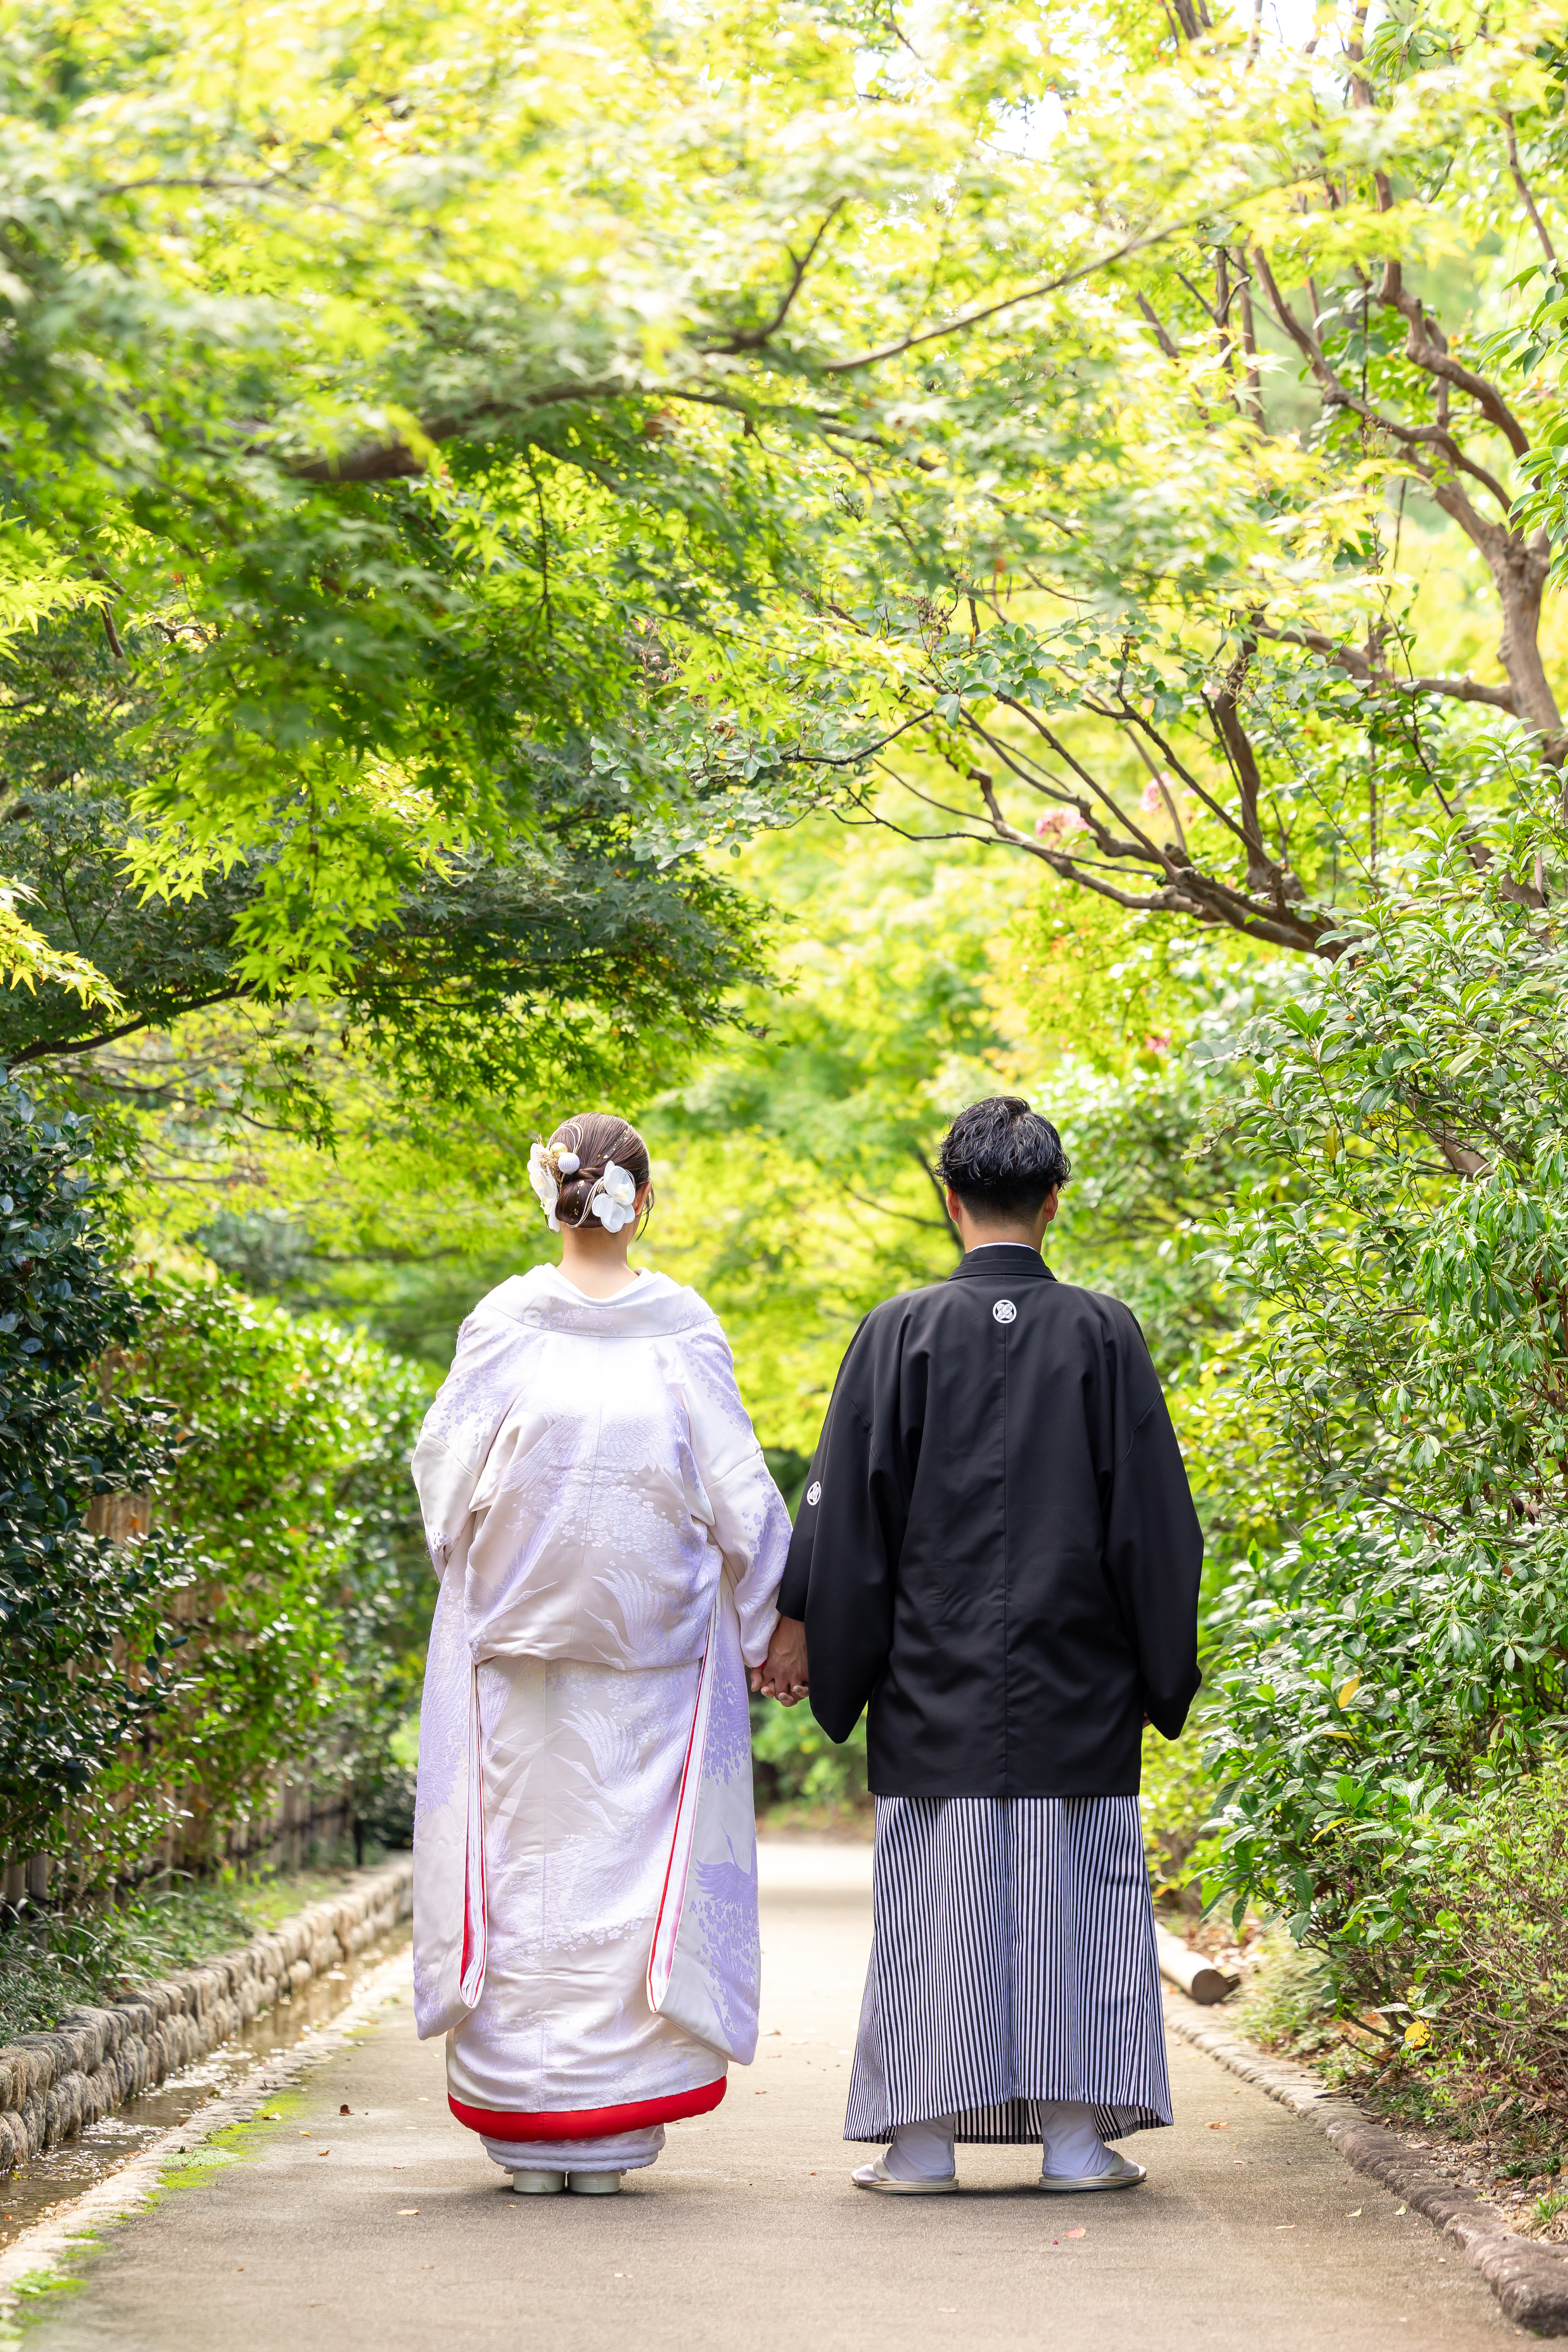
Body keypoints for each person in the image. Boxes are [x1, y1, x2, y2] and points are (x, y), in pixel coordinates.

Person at [771, 1095, 1203, 2195]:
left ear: (949, 1200)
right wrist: (1159, 1672)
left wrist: (816, 1636)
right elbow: (1154, 1523)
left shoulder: (896, 1330)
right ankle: (1071, 2144)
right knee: (1073, 1907)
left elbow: (841, 1513)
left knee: (936, 1913)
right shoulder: (1103, 1332)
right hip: (1076, 1683)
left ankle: (917, 2147)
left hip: (933, 1684)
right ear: (1052, 1201)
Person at [409, 1113, 799, 2197]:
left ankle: (523, 2133)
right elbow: (740, 1496)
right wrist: (772, 1629)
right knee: (632, 1886)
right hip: (652, 1662)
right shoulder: (680, 1327)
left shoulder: (504, 1322)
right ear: (645, 1204)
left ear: (551, 1198)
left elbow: (443, 1481)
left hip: (515, 1657)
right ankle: (612, 2135)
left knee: (520, 1875)